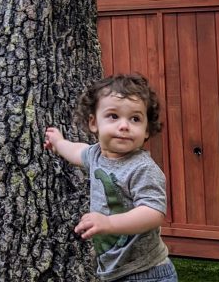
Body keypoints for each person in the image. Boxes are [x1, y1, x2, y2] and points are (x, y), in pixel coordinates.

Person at [45, 73, 177, 282]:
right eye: (113, 116)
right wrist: (59, 144)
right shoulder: (97, 154)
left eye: (135, 119)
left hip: (146, 273)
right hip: (115, 271)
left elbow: (153, 213)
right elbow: (79, 151)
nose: (124, 126)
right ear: (93, 123)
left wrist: (109, 223)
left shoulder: (142, 168)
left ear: (145, 131)